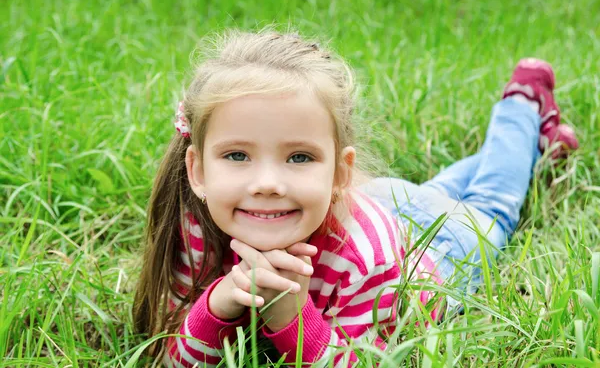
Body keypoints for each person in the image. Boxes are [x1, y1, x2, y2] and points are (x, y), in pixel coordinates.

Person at [132, 30, 579, 368]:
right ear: (198, 170)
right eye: (237, 155)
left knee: (490, 205)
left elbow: (367, 359)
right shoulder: (197, 223)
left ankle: (522, 103)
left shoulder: (364, 255)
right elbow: (171, 358)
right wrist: (218, 302)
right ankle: (537, 147)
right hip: (387, 202)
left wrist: (293, 316)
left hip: (437, 250)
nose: (266, 182)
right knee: (437, 193)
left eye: (299, 156)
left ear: (339, 173)